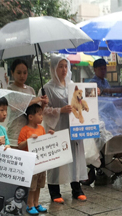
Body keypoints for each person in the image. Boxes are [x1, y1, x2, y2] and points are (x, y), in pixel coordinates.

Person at [42, 54, 88, 203]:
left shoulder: (73, 86)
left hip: (73, 128)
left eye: (65, 66)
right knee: (57, 158)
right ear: (53, 68)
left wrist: (93, 95)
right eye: (60, 66)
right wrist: (59, 111)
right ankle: (55, 191)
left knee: (75, 156)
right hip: (58, 128)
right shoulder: (46, 89)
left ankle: (77, 188)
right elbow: (42, 111)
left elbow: (83, 102)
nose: (63, 69)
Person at [17, 103, 54, 215]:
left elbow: (44, 143)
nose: (42, 117)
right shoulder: (25, 130)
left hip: (40, 162)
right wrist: (29, 139)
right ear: (31, 117)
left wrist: (50, 135)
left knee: (39, 184)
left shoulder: (42, 128)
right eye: (39, 114)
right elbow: (19, 145)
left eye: (42, 114)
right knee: (31, 185)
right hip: (30, 162)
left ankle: (36, 203)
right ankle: (30, 204)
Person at [7, 58, 48, 147]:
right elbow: (14, 107)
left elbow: (35, 112)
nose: (22, 76)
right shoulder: (10, 89)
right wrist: (33, 101)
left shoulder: (31, 90)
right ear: (12, 73)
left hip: (30, 132)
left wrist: (43, 104)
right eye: (19, 72)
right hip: (15, 131)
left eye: (25, 72)